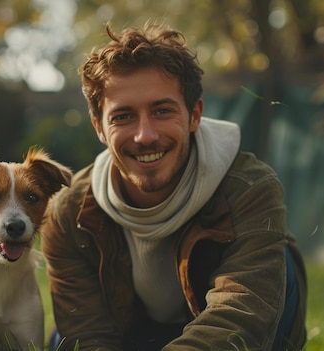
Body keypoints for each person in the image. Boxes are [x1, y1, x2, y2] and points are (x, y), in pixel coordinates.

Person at [41, 22, 307, 351]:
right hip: (137, 336)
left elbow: (241, 312)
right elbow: (86, 332)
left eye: (162, 110)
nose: (145, 135)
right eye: (123, 116)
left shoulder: (250, 187)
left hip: (239, 331)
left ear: (195, 115)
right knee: (62, 341)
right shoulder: (69, 210)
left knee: (283, 264)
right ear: (98, 127)